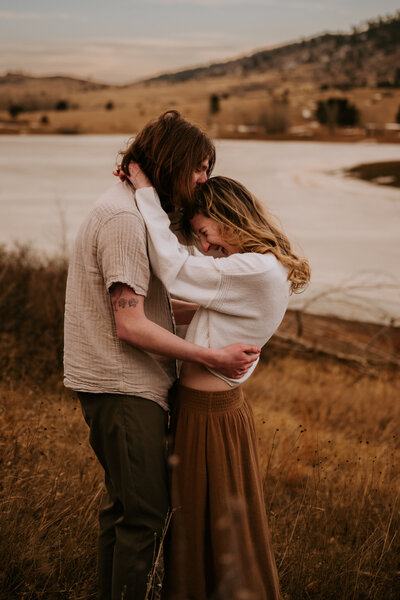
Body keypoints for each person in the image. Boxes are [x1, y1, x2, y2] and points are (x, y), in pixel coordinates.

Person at [63, 111, 260, 600]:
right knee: (146, 516)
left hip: (119, 385)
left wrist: (227, 308)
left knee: (124, 511)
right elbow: (129, 324)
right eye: (199, 167)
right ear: (174, 160)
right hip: (123, 388)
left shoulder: (125, 208)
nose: (203, 180)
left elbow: (144, 304)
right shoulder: (126, 220)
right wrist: (211, 357)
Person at [126, 163, 311, 600]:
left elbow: (171, 267)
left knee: (204, 531)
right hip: (211, 411)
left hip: (208, 416)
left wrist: (146, 194)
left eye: (205, 232)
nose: (206, 247)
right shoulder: (262, 267)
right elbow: (198, 309)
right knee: (212, 528)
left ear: (229, 215)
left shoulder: (254, 269)